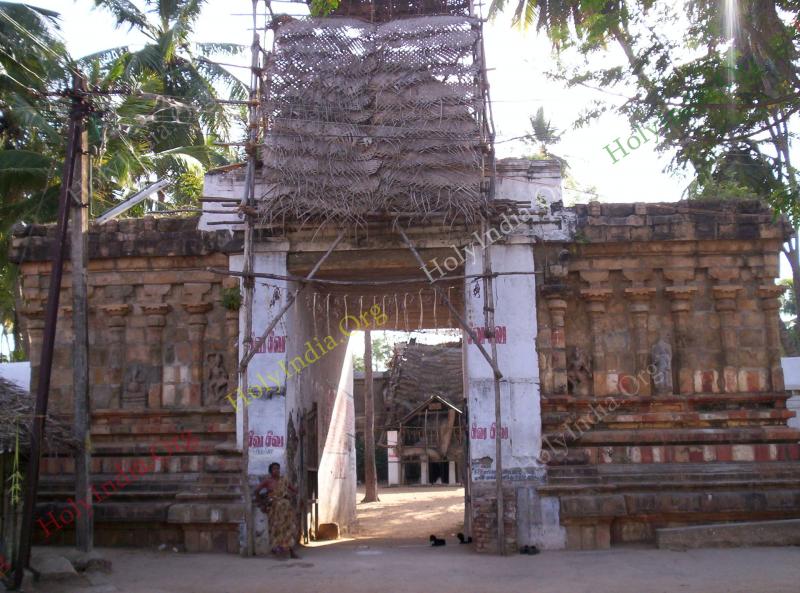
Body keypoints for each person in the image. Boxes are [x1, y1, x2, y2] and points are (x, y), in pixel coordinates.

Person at [254, 462, 299, 559]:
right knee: (276, 530)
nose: (277, 471)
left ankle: (291, 551)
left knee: (289, 529)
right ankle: (278, 552)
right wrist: (261, 503)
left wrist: (290, 495)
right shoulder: (268, 481)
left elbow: (294, 490)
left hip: (286, 510)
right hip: (274, 510)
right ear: (270, 471)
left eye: (278, 469)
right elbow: (256, 491)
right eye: (274, 469)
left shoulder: (284, 480)